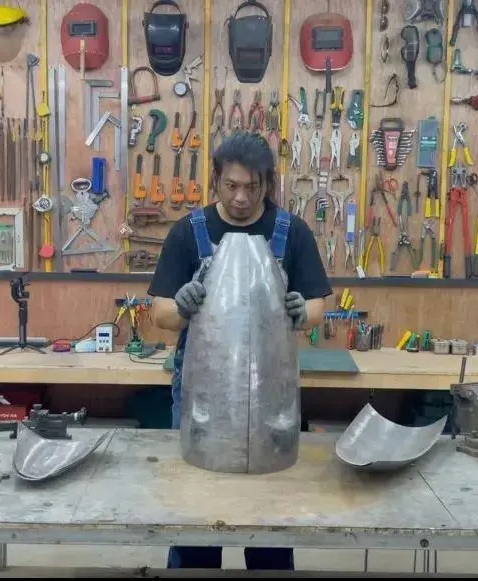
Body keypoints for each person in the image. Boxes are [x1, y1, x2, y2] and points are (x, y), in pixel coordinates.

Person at [147, 132, 333, 570]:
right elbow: (159, 313)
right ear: (216, 180)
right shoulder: (188, 232)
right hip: (202, 390)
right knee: (196, 509)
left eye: (252, 187)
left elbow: (318, 306)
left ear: (267, 184)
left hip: (271, 390)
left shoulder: (292, 232)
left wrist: (301, 311)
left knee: (270, 517)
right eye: (231, 186)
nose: (241, 198)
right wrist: (182, 306)